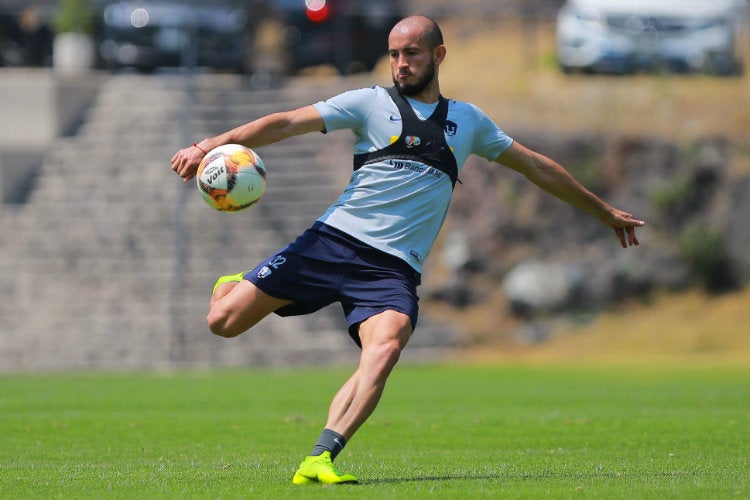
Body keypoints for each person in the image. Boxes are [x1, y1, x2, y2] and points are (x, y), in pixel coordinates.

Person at [170, 15, 644, 485]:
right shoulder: (369, 104)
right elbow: (286, 123)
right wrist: (209, 144)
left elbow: (537, 168)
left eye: (411, 53)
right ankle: (235, 284)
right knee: (222, 323)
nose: (400, 63)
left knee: (387, 345)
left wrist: (602, 211)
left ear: (438, 55)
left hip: (392, 270)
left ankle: (320, 457)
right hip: (331, 242)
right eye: (394, 54)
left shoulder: (469, 122)